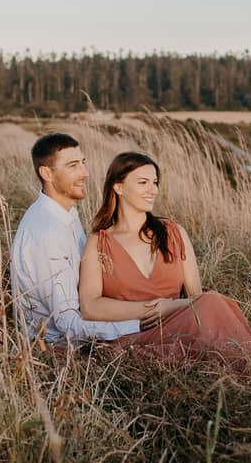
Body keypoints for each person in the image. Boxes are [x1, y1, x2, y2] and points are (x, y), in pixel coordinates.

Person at [79, 151, 251, 371]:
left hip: (178, 327)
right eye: (143, 182)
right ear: (118, 187)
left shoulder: (174, 233)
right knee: (212, 302)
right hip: (132, 334)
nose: (153, 190)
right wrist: (153, 309)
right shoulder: (99, 242)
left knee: (212, 303)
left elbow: (197, 298)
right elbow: (90, 307)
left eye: (155, 182)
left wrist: (171, 307)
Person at [11, 133, 151, 348]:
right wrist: (140, 326)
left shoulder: (64, 214)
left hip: (87, 326)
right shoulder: (47, 232)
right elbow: (68, 324)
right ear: (46, 173)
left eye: (83, 163)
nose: (85, 173)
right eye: (73, 166)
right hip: (61, 347)